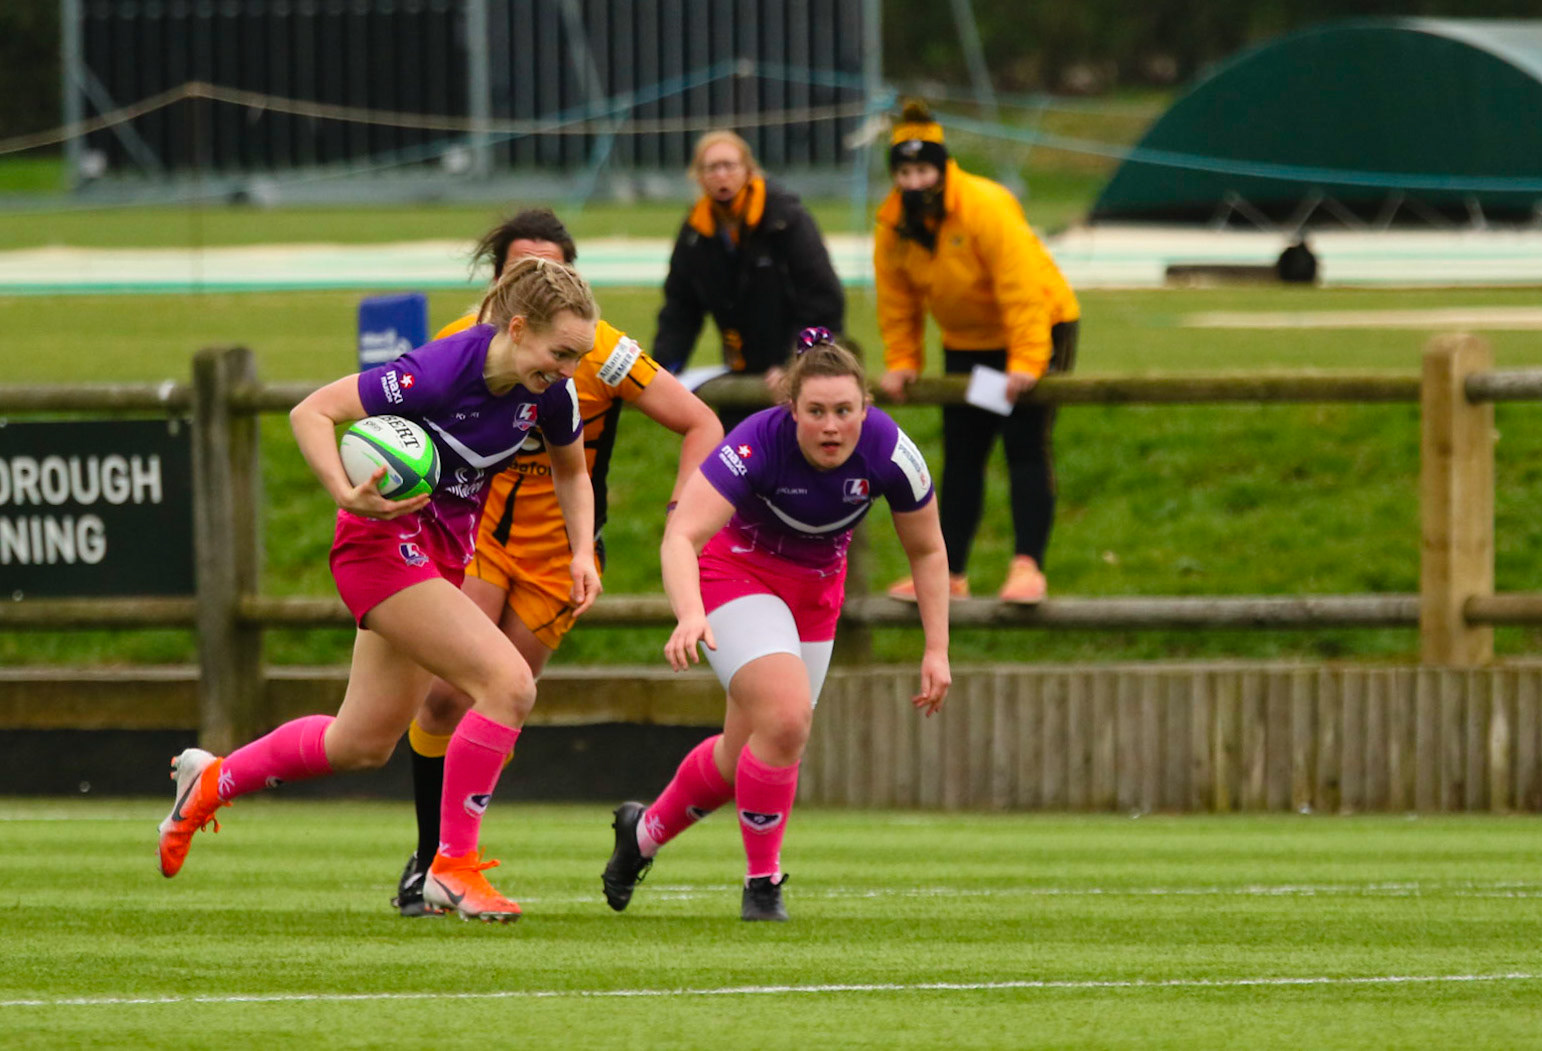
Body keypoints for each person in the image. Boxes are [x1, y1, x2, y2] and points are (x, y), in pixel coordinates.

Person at [156, 256, 603, 924]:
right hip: (379, 547)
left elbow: (572, 471)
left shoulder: (550, 393)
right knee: (508, 684)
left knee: (361, 741)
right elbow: (314, 411)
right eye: (560, 352)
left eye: (579, 356)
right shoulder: (439, 370)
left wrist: (581, 549)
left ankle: (211, 779)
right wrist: (345, 492)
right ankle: (449, 867)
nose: (569, 369)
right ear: (517, 327)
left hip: (442, 556)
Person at [389, 209, 724, 917]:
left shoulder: (602, 351)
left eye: (551, 267)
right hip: (478, 536)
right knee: (449, 695)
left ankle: (457, 850)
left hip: (560, 557)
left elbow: (701, 422)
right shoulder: (461, 341)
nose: (534, 281)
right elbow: (403, 429)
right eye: (518, 270)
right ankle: (429, 861)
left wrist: (680, 523)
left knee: (503, 699)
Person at [600, 328, 952, 922]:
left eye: (845, 411)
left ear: (867, 407)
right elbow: (683, 535)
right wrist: (690, 612)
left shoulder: (892, 451)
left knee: (749, 754)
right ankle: (762, 884)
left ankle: (641, 836)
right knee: (788, 720)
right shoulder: (756, 443)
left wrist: (936, 649)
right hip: (736, 574)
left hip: (815, 593)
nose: (832, 426)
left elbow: (928, 551)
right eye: (816, 411)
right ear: (791, 410)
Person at [875, 100, 1081, 606]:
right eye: (905, 171)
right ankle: (951, 574)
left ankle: (1027, 568)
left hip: (1036, 327)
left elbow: (1021, 285)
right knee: (963, 453)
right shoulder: (893, 224)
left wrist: (1028, 362)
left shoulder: (985, 205)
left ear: (943, 168)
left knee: (1024, 443)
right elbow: (896, 300)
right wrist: (903, 362)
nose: (915, 181)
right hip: (967, 342)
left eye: (924, 169)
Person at [652, 129, 846, 432]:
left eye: (729, 165)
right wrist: (661, 369)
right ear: (698, 176)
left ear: (748, 170)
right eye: (711, 167)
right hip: (739, 368)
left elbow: (823, 298)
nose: (721, 175)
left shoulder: (785, 219)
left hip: (796, 365)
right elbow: (680, 309)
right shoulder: (694, 233)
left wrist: (795, 362)